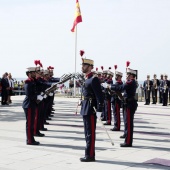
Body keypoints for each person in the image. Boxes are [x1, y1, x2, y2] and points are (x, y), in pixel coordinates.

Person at [80, 58, 103, 162]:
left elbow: (100, 96)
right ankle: (89, 153)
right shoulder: (87, 79)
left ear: (90, 67)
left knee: (90, 133)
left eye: (84, 65)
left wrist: (99, 110)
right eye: (82, 65)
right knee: (87, 133)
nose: (82, 67)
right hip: (85, 107)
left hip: (91, 109)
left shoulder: (94, 79)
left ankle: (90, 155)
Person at [108, 68, 138, 147]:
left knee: (128, 123)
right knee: (126, 122)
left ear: (132, 75)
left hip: (129, 104)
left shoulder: (130, 82)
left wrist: (109, 86)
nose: (127, 76)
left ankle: (128, 142)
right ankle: (127, 137)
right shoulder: (129, 82)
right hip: (127, 103)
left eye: (128, 74)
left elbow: (120, 88)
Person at [22, 67, 43, 145]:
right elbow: (29, 94)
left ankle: (31, 139)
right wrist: (37, 97)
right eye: (34, 73)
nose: (35, 74)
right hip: (29, 105)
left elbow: (42, 84)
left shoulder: (33, 81)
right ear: (29, 74)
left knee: (31, 123)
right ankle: (30, 140)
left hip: (32, 104)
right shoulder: (28, 82)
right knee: (30, 123)